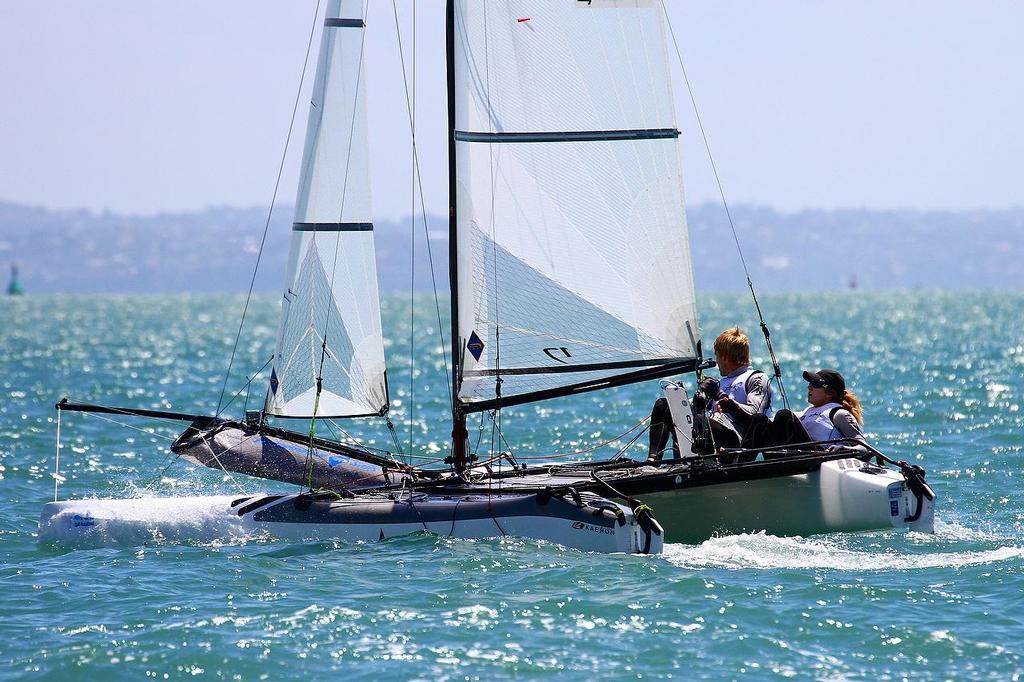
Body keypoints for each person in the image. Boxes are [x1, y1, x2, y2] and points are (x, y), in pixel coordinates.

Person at [647, 327, 772, 463]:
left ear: (724, 357)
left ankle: (701, 464)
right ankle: (653, 462)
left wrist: (719, 394)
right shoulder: (720, 382)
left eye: (717, 355)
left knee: (701, 421)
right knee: (664, 405)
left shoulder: (756, 378)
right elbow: (696, 411)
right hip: (709, 429)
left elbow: (755, 414)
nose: (716, 361)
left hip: (737, 439)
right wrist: (687, 402)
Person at [745, 368, 867, 456]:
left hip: (817, 459)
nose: (810, 387)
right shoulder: (805, 413)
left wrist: (843, 448)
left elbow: (863, 447)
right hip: (789, 457)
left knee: (784, 415)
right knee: (759, 419)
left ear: (830, 392)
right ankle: (738, 466)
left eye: (816, 384)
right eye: (810, 383)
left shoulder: (838, 413)